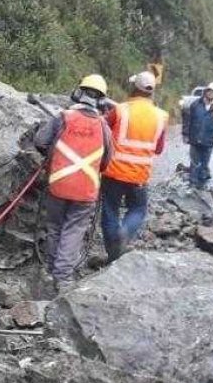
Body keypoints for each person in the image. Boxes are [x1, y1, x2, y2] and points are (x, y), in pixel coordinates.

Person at [31, 75, 113, 292]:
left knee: (54, 226)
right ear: (102, 101)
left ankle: (50, 268)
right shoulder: (104, 126)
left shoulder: (62, 117)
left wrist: (53, 156)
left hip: (58, 185)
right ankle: (63, 277)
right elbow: (106, 160)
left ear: (78, 93)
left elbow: (40, 141)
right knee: (74, 230)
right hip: (86, 191)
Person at [100, 71, 169, 261]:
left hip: (113, 171)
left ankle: (113, 251)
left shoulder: (121, 110)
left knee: (110, 209)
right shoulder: (161, 116)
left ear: (133, 88)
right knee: (138, 210)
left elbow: (103, 130)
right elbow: (159, 149)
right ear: (152, 93)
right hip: (139, 175)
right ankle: (125, 231)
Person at [185, 82, 213, 190]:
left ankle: (201, 184)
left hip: (209, 139)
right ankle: (192, 184)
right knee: (194, 163)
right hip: (195, 138)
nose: (211, 94)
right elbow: (188, 120)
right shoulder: (195, 104)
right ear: (205, 91)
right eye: (209, 91)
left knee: (205, 164)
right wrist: (186, 134)